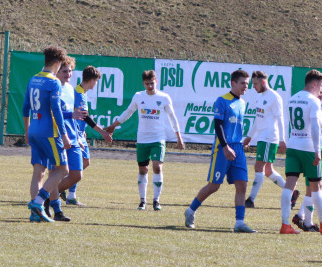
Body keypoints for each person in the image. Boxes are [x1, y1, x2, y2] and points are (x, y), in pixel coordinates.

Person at [105, 70, 185, 211]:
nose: (150, 86)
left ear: (156, 82)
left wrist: (179, 137)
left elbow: (172, 117)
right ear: (143, 83)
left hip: (158, 139)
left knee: (157, 167)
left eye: (152, 83)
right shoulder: (138, 96)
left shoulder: (164, 97)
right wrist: (113, 125)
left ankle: (156, 200)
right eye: (147, 84)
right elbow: (128, 112)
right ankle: (143, 201)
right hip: (142, 139)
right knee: (143, 169)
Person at [184, 69, 253, 232]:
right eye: (243, 83)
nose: (245, 87)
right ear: (233, 83)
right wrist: (225, 146)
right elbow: (218, 125)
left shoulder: (243, 103)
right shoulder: (222, 100)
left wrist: (241, 142)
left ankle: (239, 223)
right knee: (214, 185)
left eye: (247, 84)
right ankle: (190, 210)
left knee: (242, 184)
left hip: (238, 147)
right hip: (223, 148)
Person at [279, 69, 322, 234]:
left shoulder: (293, 99)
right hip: (307, 148)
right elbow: (314, 127)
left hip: (293, 145)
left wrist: (285, 140)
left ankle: (285, 225)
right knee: (317, 187)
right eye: (320, 85)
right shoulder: (313, 101)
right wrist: (317, 151)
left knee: (289, 186)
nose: (321, 89)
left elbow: (289, 123)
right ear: (314, 83)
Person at [23, 46, 75, 222]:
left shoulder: (33, 79)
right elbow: (56, 112)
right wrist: (65, 135)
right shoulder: (53, 82)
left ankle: (35, 214)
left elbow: (25, 108)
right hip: (49, 133)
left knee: (39, 172)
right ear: (58, 63)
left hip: (34, 131)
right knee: (62, 169)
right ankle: (38, 203)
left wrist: (26, 130)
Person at [55, 63, 112, 207]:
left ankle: (66, 190)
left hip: (79, 133)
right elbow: (85, 117)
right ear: (92, 80)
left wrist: (83, 129)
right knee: (77, 166)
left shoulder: (82, 92)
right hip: (74, 134)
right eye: (96, 81)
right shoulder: (78, 93)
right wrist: (103, 132)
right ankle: (60, 191)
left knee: (85, 163)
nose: (96, 84)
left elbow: (82, 118)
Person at [243, 70, 288, 208]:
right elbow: (257, 118)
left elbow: (280, 118)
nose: (253, 86)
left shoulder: (274, 97)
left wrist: (282, 139)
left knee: (258, 166)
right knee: (268, 171)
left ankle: (251, 199)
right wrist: (249, 136)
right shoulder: (259, 97)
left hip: (269, 137)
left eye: (255, 83)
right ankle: (292, 192)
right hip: (262, 137)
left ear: (263, 82)